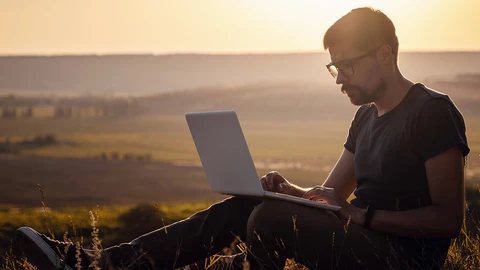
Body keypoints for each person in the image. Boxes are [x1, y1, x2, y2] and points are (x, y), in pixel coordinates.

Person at [15, 7, 469, 270]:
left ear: (386, 54)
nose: (339, 79)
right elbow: (332, 194)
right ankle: (102, 265)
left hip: (403, 260)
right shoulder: (367, 118)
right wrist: (292, 192)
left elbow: (447, 221)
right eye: (334, 68)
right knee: (249, 206)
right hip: (360, 238)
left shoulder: (431, 113)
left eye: (346, 66)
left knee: (269, 222)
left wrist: (357, 215)